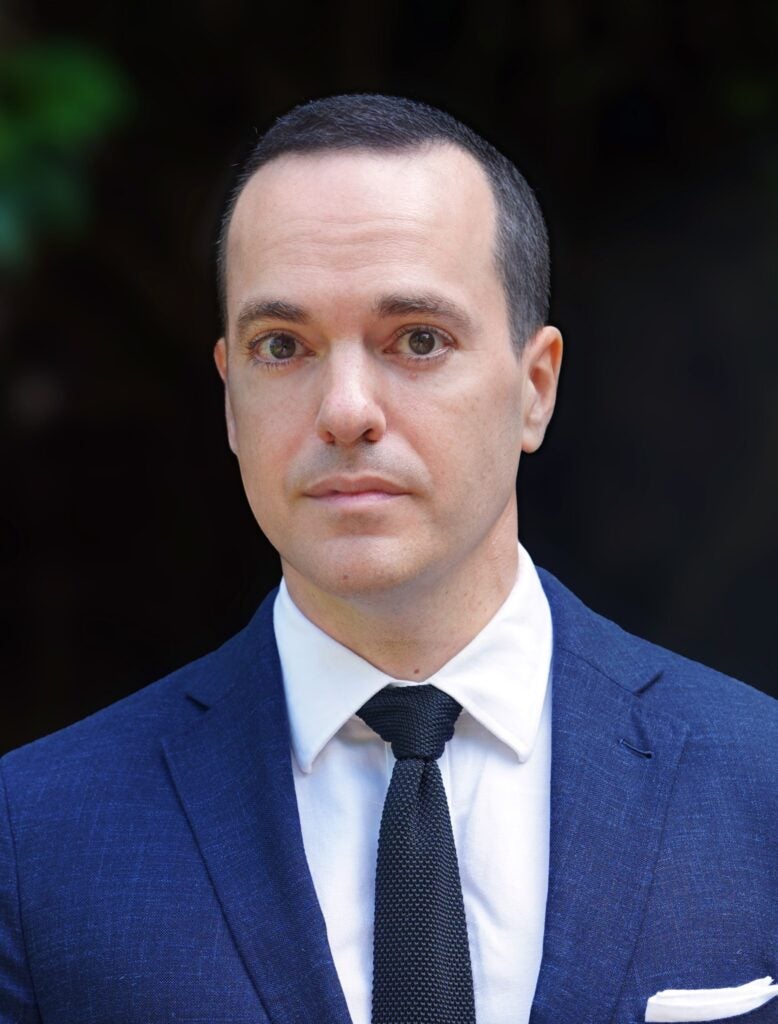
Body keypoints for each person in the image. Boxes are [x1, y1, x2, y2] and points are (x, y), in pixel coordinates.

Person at [1, 94, 776, 1024]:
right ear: (230, 402)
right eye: (281, 347)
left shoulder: (757, 784)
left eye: (417, 340)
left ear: (534, 390)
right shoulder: (35, 839)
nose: (345, 409)